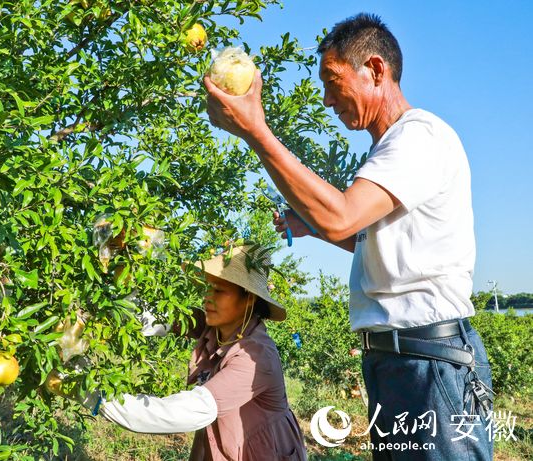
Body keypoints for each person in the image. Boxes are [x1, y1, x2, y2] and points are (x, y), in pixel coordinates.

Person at [204, 13, 493, 461]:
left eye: (332, 80)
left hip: (429, 362)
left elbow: (341, 217)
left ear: (376, 69)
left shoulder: (417, 138)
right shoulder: (389, 151)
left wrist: (255, 131)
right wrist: (315, 228)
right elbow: (376, 245)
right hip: (397, 361)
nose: (325, 98)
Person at [94, 245, 307, 461]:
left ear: (249, 298)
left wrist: (95, 398)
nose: (208, 297)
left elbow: (190, 411)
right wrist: (123, 266)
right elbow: (154, 317)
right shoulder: (215, 328)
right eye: (209, 287)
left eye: (219, 290)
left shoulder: (257, 357)